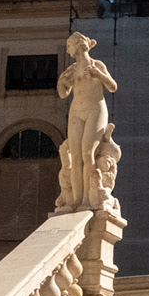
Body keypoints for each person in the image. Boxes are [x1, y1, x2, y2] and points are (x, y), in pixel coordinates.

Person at [55, 32, 118, 212]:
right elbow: (63, 94)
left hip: (95, 109)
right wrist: (61, 83)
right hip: (77, 111)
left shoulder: (97, 65)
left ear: (78, 45)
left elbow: (112, 87)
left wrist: (99, 75)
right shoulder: (72, 70)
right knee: (75, 154)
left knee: (87, 151)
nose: (68, 50)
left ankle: (88, 198)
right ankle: (77, 199)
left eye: (69, 46)